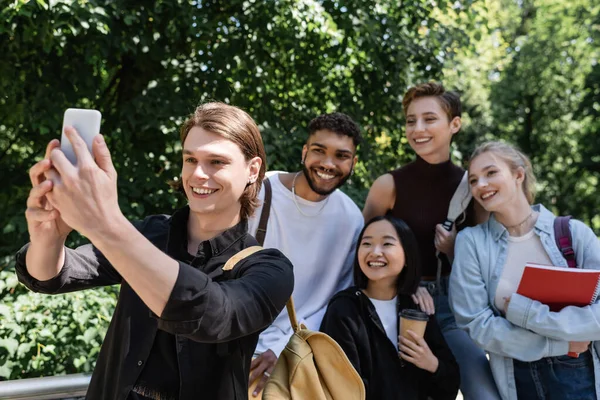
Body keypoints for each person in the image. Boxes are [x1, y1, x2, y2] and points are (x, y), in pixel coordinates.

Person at [15, 102, 294, 400]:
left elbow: (212, 316)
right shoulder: (149, 233)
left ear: (253, 170)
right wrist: (48, 238)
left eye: (217, 162)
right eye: (190, 159)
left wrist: (106, 225)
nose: (198, 173)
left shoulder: (269, 269)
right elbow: (53, 275)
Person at [362, 82, 500, 399]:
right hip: (398, 306)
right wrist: (406, 282)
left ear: (454, 124)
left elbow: (487, 259)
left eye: (429, 119)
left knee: (484, 395)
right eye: (411, 120)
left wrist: (455, 250)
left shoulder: (474, 186)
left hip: (455, 309)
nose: (418, 129)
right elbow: (364, 254)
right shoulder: (387, 185)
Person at [450, 141, 600, 400]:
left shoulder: (573, 233)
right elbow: (475, 323)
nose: (480, 185)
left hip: (576, 373)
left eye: (491, 173)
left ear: (518, 175)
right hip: (516, 377)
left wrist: (525, 313)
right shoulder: (471, 242)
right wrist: (558, 343)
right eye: (473, 180)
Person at [247, 112, 364, 396]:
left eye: (341, 155)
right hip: (238, 343)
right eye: (319, 151)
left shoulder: (351, 218)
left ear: (353, 163)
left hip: (296, 355)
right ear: (304, 152)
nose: (328, 163)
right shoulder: (259, 192)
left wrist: (284, 347)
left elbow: (335, 298)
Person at [320, 215, 460, 400]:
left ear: (407, 255)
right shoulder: (345, 309)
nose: (375, 252)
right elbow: (341, 387)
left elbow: (450, 386)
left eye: (387, 244)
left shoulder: (417, 306)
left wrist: (431, 363)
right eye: (367, 243)